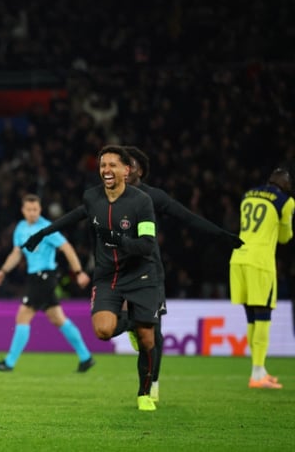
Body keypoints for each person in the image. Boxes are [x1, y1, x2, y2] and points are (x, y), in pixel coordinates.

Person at [22, 145, 161, 411]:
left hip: (140, 275)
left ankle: (144, 393)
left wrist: (119, 239)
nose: (106, 170)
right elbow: (72, 217)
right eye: (102, 165)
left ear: (126, 170)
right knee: (103, 331)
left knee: (148, 340)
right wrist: (41, 234)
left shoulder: (142, 201)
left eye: (112, 165)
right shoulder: (92, 197)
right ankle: (130, 323)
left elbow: (147, 245)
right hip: (107, 275)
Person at [122, 145, 244, 401]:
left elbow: (187, 217)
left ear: (140, 171)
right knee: (114, 321)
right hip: (118, 271)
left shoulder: (153, 196)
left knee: (153, 333)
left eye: (129, 164)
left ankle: (152, 385)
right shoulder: (107, 196)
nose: (124, 168)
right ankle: (130, 325)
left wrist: (220, 234)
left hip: (149, 272)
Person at [0, 193, 94, 373]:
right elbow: (16, 253)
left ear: (40, 210)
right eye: (29, 209)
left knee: (23, 316)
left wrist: (78, 272)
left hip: (45, 276)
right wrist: (3, 270)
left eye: (35, 209)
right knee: (58, 318)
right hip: (35, 277)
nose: (32, 213)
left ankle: (9, 362)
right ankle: (86, 357)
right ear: (23, 210)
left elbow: (66, 247)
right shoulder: (21, 228)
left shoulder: (46, 228)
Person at [229, 167, 294, 389]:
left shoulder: (248, 195)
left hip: (238, 258)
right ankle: (257, 375)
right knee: (263, 316)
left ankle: (260, 369)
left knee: (251, 318)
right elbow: (285, 237)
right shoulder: (286, 202)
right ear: (283, 183)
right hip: (260, 262)